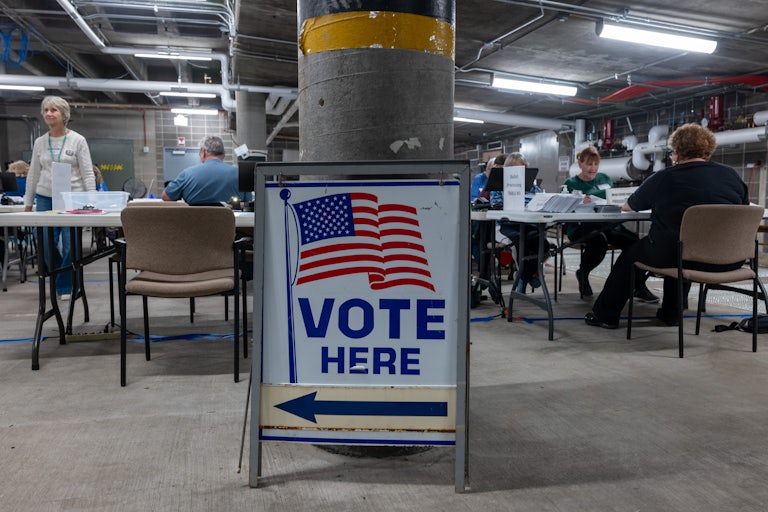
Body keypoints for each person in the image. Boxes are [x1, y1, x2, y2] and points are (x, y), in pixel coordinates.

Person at [585, 123, 750, 329]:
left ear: (676, 153)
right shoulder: (732, 176)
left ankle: (605, 315)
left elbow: (629, 206)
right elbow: (742, 210)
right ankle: (671, 314)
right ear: (708, 150)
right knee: (686, 246)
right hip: (728, 259)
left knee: (633, 253)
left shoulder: (664, 177)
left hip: (677, 255)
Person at [563, 145, 657, 302]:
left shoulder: (605, 178)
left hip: (607, 224)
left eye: (595, 164)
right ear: (580, 164)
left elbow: (612, 198)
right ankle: (583, 273)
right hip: (580, 227)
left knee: (636, 243)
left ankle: (638, 286)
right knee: (598, 241)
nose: (593, 168)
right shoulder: (571, 183)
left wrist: (593, 196)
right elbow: (567, 209)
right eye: (588, 164)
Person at [24, 96, 96, 300]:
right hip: (46, 197)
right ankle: (62, 278)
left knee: (71, 243)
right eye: (45, 110)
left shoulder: (78, 140)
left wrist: (92, 200)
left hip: (73, 197)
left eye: (53, 110)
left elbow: (88, 173)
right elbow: (33, 174)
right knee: (46, 244)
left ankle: (64, 286)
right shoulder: (40, 142)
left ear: (64, 115)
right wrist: (28, 203)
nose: (48, 113)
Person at [497, 152, 544, 292]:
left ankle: (523, 276)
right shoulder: (499, 185)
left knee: (544, 245)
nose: (518, 172)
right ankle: (528, 276)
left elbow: (541, 201)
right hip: (509, 225)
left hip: (530, 224)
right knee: (521, 241)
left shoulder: (533, 187)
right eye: (514, 168)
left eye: (522, 168)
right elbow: (496, 204)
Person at [162, 135, 250, 206]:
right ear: (224, 153)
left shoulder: (187, 174)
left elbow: (166, 196)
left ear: (203, 152)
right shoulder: (241, 174)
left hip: (195, 226)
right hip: (230, 226)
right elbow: (250, 202)